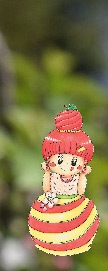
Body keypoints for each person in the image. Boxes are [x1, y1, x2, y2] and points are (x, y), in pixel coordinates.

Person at [28, 105, 99, 256]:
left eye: (74, 162)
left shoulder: (77, 177)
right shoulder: (53, 174)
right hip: (53, 203)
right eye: (60, 159)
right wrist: (47, 173)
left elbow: (80, 191)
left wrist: (84, 176)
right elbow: (47, 189)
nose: (66, 165)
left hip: (73, 205)